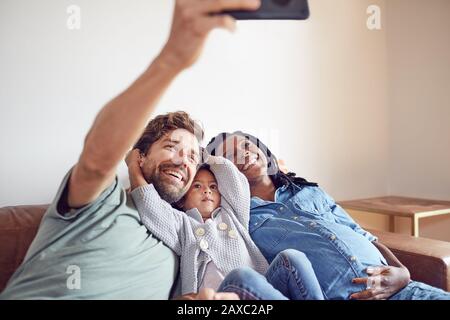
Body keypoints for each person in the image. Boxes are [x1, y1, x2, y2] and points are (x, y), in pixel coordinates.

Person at [0, 0, 264, 300]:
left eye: (193, 156)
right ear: (139, 155)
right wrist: (173, 58)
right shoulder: (103, 198)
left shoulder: (184, 235)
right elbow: (98, 160)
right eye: (171, 147)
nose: (183, 161)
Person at [206, 131, 450, 300]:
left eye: (246, 145)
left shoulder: (309, 190)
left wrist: (403, 272)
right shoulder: (241, 216)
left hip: (398, 289)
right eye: (230, 156)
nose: (244, 154)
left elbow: (362, 235)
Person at [127, 149, 325, 300]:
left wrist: (200, 153)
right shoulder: (182, 224)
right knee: (240, 276)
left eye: (213, 187)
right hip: (218, 295)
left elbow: (233, 178)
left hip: (259, 290)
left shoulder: (232, 215)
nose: (207, 191)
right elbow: (150, 205)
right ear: (181, 199)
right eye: (197, 186)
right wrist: (133, 168)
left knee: (291, 257)